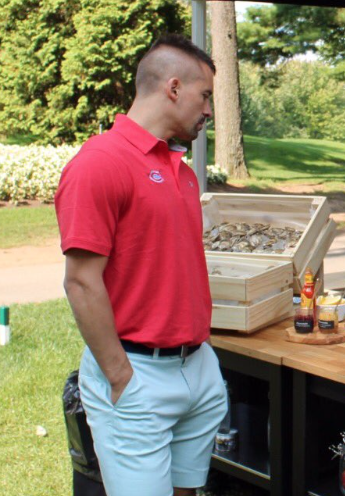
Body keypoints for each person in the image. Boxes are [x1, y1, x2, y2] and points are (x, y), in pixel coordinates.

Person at [55, 34, 227, 496]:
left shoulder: (183, 172)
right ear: (173, 88)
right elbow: (81, 282)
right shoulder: (100, 164)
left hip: (197, 366)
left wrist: (204, 364)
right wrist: (119, 377)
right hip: (135, 373)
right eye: (205, 95)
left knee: (187, 491)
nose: (209, 109)